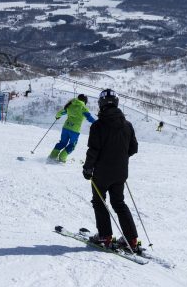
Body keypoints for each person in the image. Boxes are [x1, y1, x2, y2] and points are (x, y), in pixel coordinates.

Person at [83, 89, 140, 252]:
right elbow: (134, 148)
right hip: (120, 172)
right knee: (118, 203)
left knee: (99, 201)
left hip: (101, 172)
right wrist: (120, 157)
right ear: (116, 103)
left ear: (101, 105)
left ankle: (105, 236)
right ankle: (132, 239)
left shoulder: (98, 125)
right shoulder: (127, 125)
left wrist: (88, 168)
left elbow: (93, 150)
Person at [48, 94, 96, 163]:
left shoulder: (70, 104)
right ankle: (62, 157)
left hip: (66, 127)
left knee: (62, 143)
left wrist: (57, 116)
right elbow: (89, 118)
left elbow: (62, 112)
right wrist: (97, 123)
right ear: (85, 101)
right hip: (74, 130)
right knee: (72, 145)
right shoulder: (83, 108)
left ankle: (52, 157)